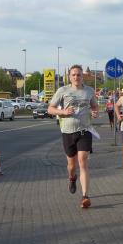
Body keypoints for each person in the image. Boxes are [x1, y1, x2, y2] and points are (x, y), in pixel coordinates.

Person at [48, 64, 100, 209]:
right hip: (68, 132)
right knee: (72, 166)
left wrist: (95, 112)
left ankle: (85, 196)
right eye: (74, 75)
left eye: (79, 75)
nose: (76, 77)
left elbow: (95, 106)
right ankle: (72, 178)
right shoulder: (63, 90)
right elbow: (50, 109)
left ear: (83, 76)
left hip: (85, 130)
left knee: (83, 161)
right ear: (69, 77)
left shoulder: (89, 91)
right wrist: (63, 112)